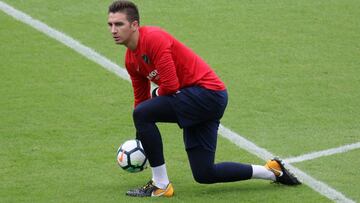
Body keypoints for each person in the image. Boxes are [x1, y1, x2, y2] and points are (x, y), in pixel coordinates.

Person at [107, 0, 301, 197]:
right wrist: (142, 138)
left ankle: (161, 184)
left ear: (134, 25)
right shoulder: (131, 60)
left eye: (119, 24)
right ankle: (272, 171)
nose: (113, 30)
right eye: (110, 25)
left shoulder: (154, 39)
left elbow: (171, 86)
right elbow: (141, 100)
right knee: (204, 173)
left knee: (143, 113)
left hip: (207, 95)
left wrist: (153, 99)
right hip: (193, 100)